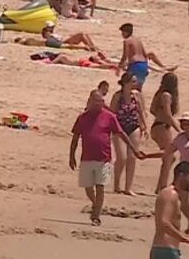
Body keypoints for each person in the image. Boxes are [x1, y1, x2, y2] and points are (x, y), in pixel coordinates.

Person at [69, 90, 142, 226]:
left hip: (104, 158)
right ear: (89, 101)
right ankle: (96, 203)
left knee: (100, 187)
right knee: (87, 187)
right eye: (95, 101)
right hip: (86, 158)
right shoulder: (82, 118)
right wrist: (71, 156)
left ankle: (96, 216)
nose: (98, 104)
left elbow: (121, 134)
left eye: (100, 102)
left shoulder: (109, 117)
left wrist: (133, 149)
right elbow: (75, 138)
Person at [110, 73, 148, 196]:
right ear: (125, 82)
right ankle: (117, 185)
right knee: (122, 157)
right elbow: (111, 113)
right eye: (133, 81)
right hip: (119, 128)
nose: (135, 84)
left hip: (134, 127)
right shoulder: (117, 96)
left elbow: (141, 111)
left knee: (132, 157)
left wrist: (144, 126)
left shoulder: (136, 95)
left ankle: (128, 187)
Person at [151, 73, 181, 191]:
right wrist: (178, 129)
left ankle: (161, 185)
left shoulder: (160, 94)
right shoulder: (166, 95)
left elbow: (152, 110)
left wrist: (160, 114)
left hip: (160, 126)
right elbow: (168, 115)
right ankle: (162, 186)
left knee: (169, 157)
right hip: (161, 126)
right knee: (169, 156)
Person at [118, 23, 149, 89]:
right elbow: (145, 55)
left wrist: (119, 66)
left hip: (135, 65)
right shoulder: (138, 40)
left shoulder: (127, 41)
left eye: (123, 32)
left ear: (127, 32)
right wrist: (146, 67)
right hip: (143, 64)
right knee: (138, 88)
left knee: (128, 87)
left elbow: (125, 56)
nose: (122, 34)